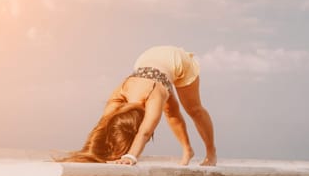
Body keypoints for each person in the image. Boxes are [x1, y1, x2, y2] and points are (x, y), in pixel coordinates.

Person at [60, 46, 217, 166]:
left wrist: (131, 156)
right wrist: (89, 152)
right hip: (148, 59)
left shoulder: (153, 96)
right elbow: (101, 126)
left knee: (193, 110)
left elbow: (145, 132)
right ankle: (188, 150)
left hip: (178, 61)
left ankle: (211, 152)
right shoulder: (120, 93)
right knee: (171, 110)